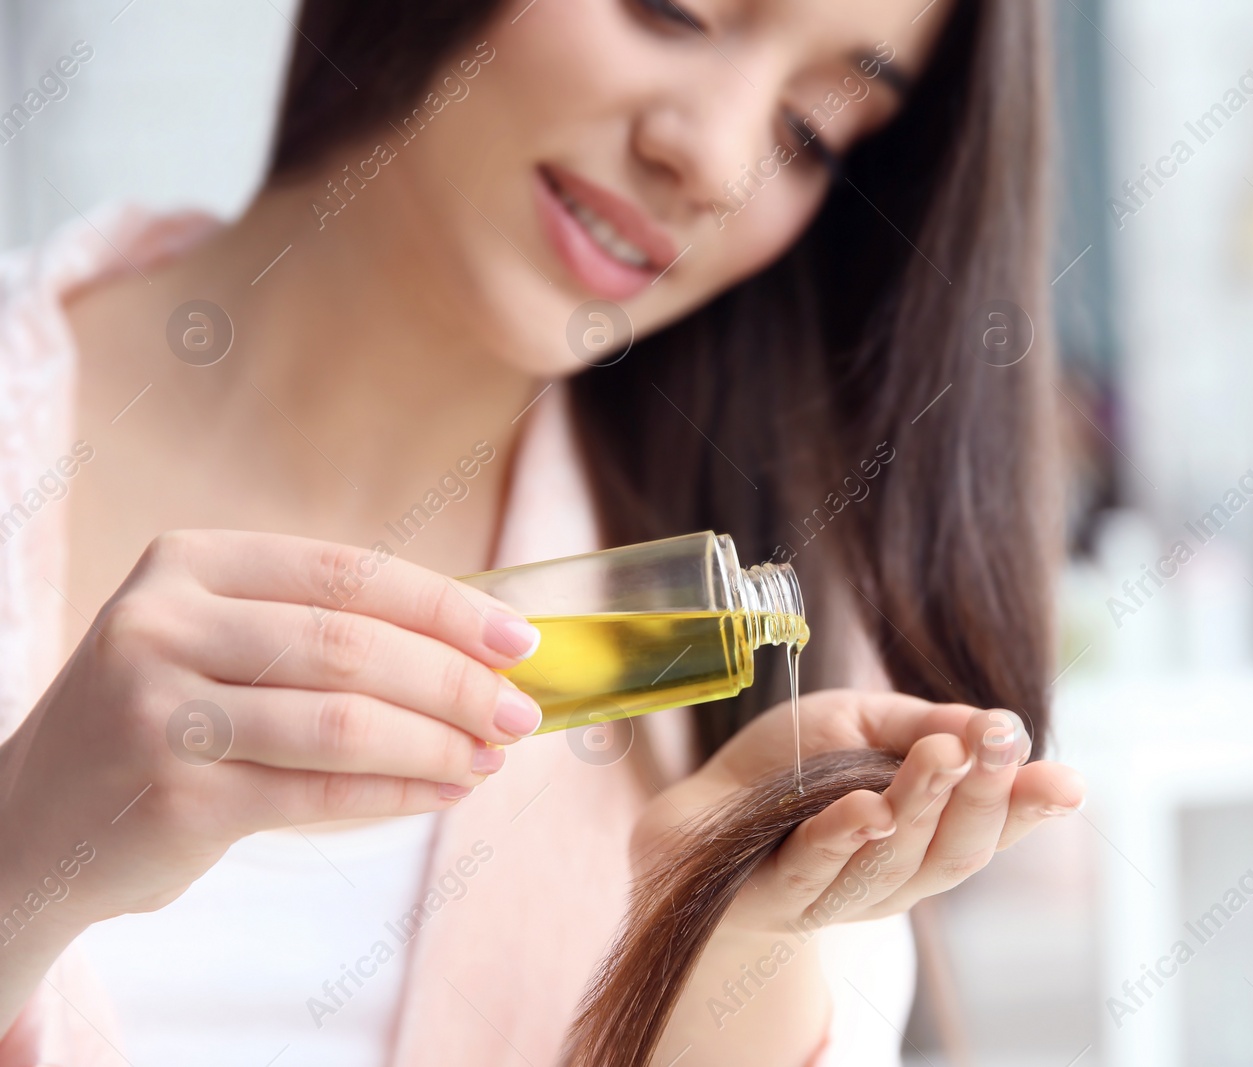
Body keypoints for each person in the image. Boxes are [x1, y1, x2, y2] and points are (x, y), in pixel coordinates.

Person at [0, 0, 1083, 1063]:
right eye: (673, 12)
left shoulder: (775, 688)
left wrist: (712, 948)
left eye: (809, 132)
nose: (712, 159)